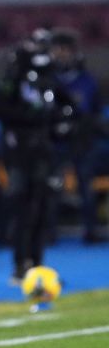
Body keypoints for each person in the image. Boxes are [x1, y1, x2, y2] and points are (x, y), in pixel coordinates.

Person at [0, 30, 77, 281]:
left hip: (43, 152)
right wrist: (30, 118)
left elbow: (68, 107)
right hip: (19, 152)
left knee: (41, 207)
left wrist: (61, 124)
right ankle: (20, 263)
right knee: (21, 206)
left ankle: (38, 263)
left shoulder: (49, 79)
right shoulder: (15, 77)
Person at [50, 30, 102, 243]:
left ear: (73, 53)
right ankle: (48, 231)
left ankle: (90, 230)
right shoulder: (47, 80)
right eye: (57, 50)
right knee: (51, 186)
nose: (61, 54)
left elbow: (95, 112)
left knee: (85, 186)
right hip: (55, 141)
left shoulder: (87, 81)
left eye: (65, 50)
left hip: (81, 142)